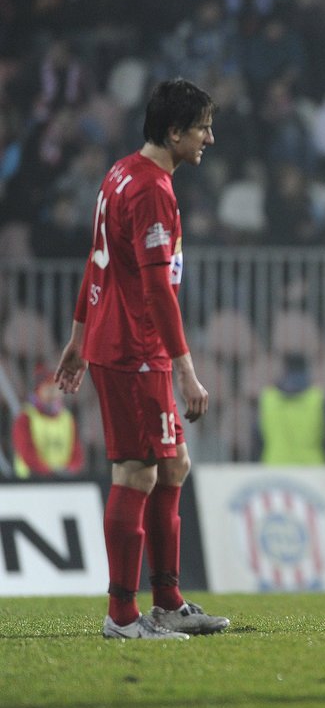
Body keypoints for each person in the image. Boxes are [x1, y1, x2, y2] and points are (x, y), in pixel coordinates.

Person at [54, 78, 229, 641]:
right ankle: (122, 616)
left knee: (173, 466)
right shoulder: (152, 188)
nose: (208, 136)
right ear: (174, 131)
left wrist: (79, 337)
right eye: (201, 126)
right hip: (135, 349)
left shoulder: (119, 173)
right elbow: (157, 290)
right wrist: (185, 368)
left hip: (119, 341)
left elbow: (96, 260)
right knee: (136, 471)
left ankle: (168, 602)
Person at [252, 353, 325, 464]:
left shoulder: (268, 398)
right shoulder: (318, 398)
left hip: (275, 466)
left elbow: (257, 439)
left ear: (284, 370)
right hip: (312, 468)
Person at [12, 364, 85, 478]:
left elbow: (76, 452)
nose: (54, 394)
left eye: (58, 389)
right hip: (30, 483)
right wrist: (48, 473)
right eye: (49, 389)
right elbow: (26, 451)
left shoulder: (67, 418)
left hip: (62, 482)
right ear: (38, 391)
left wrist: (68, 470)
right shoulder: (25, 418)